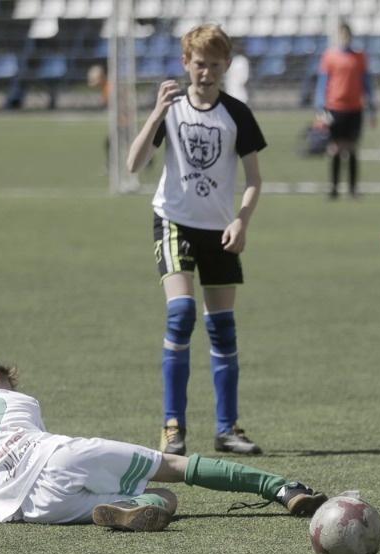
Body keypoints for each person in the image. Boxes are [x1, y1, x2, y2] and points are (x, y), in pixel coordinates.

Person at [0, 358, 328, 532]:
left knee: (165, 500)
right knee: (172, 469)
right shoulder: (18, 398)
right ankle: (281, 488)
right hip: (55, 457)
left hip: (30, 510)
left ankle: (134, 506)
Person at [127, 24, 267, 457]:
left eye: (214, 65)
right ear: (186, 63)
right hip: (174, 222)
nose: (205, 72)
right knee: (181, 314)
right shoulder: (171, 110)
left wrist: (242, 221)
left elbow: (254, 180)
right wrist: (154, 114)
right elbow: (134, 164)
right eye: (198, 63)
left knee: (222, 328)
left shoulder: (237, 114)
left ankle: (227, 428)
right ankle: (173, 426)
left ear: (226, 67)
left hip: (221, 228)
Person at [314, 22, 377, 199]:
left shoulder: (360, 56)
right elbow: (323, 83)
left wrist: (372, 105)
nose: (345, 37)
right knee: (335, 148)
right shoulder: (329, 56)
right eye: (342, 34)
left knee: (352, 148)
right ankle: (334, 188)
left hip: (355, 108)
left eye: (347, 34)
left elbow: (367, 82)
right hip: (336, 108)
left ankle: (353, 189)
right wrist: (320, 105)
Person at [223, 39, 250, 104]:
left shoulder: (242, 60)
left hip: (238, 88)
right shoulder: (230, 60)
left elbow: (244, 76)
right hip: (230, 87)